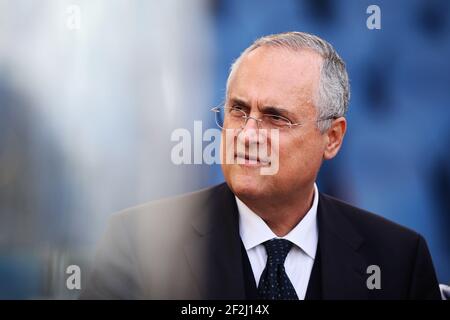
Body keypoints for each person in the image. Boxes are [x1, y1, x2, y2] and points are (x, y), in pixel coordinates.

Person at [80, 32, 441, 300]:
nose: (247, 135)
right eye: (238, 111)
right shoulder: (139, 246)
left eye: (275, 118)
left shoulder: (398, 261)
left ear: (331, 137)